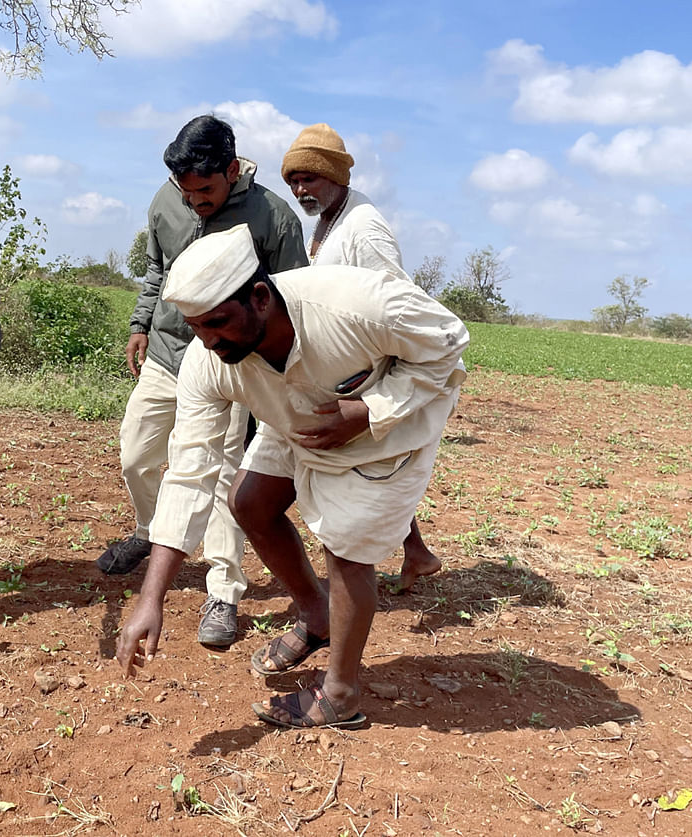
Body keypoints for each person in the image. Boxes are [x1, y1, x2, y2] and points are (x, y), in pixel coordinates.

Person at [115, 224, 467, 729]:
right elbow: (189, 473)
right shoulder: (210, 360)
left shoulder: (353, 303)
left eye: (217, 323)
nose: (209, 342)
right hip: (296, 416)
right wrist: (152, 599)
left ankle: (341, 693)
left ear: (259, 298)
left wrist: (367, 410)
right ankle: (316, 614)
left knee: (346, 549)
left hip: (388, 428)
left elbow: (448, 342)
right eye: (197, 329)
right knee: (249, 503)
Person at [96, 115, 307, 648]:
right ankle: (155, 532)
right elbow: (156, 271)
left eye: (205, 191)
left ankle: (223, 590)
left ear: (232, 170)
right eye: (186, 191)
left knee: (218, 476)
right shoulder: (166, 203)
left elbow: (294, 297)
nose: (195, 202)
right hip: (170, 352)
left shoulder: (273, 217)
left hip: (234, 363)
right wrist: (140, 323)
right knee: (135, 453)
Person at [282, 122, 441, 592]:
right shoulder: (330, 219)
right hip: (345, 371)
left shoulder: (364, 229)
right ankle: (416, 552)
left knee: (356, 477)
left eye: (309, 178)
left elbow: (398, 310)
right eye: (293, 180)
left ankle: (351, 582)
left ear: (337, 176)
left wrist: (376, 396)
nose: (299, 189)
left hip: (367, 380)